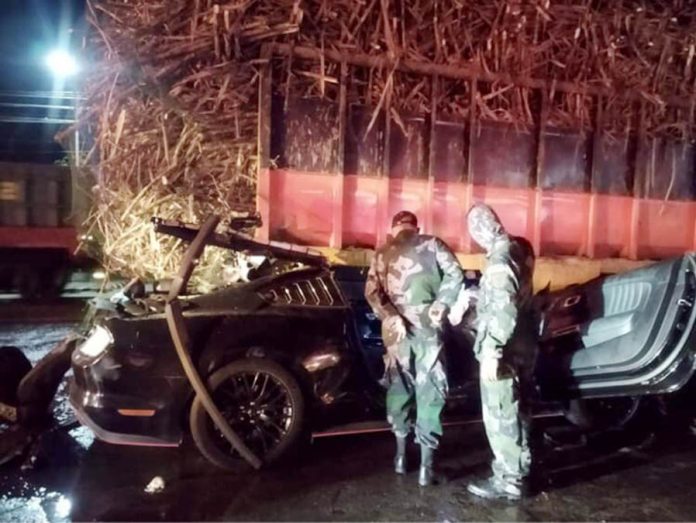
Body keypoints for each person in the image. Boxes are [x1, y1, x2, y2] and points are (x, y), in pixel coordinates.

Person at [365, 210, 465, 486]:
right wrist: (441, 304)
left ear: (394, 228)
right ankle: (426, 470)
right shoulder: (432, 244)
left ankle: (399, 459)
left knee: (399, 389)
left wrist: (390, 314)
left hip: (395, 333)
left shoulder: (381, 253)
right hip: (428, 328)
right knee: (430, 391)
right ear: (416, 227)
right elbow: (456, 275)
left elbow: (371, 292)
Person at [464, 203, 537, 501]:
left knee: (500, 412)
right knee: (518, 410)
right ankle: (520, 468)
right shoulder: (517, 251)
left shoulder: (499, 258)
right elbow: (506, 297)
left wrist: (492, 349)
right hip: (522, 344)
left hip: (503, 348)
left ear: (482, 228)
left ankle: (509, 479)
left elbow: (503, 308)